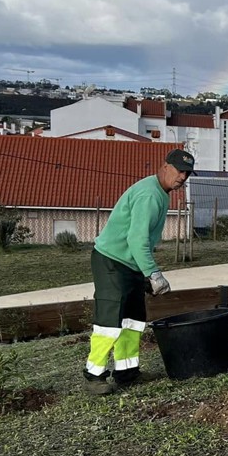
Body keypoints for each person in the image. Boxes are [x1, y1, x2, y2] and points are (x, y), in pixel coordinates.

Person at [83, 148, 195, 395]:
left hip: (130, 263)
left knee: (133, 321)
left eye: (187, 174)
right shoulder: (149, 195)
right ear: (165, 166)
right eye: (179, 171)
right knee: (110, 321)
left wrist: (143, 271)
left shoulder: (161, 192)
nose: (182, 178)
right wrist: (153, 274)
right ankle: (94, 375)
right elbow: (137, 240)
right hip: (111, 261)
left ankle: (126, 372)